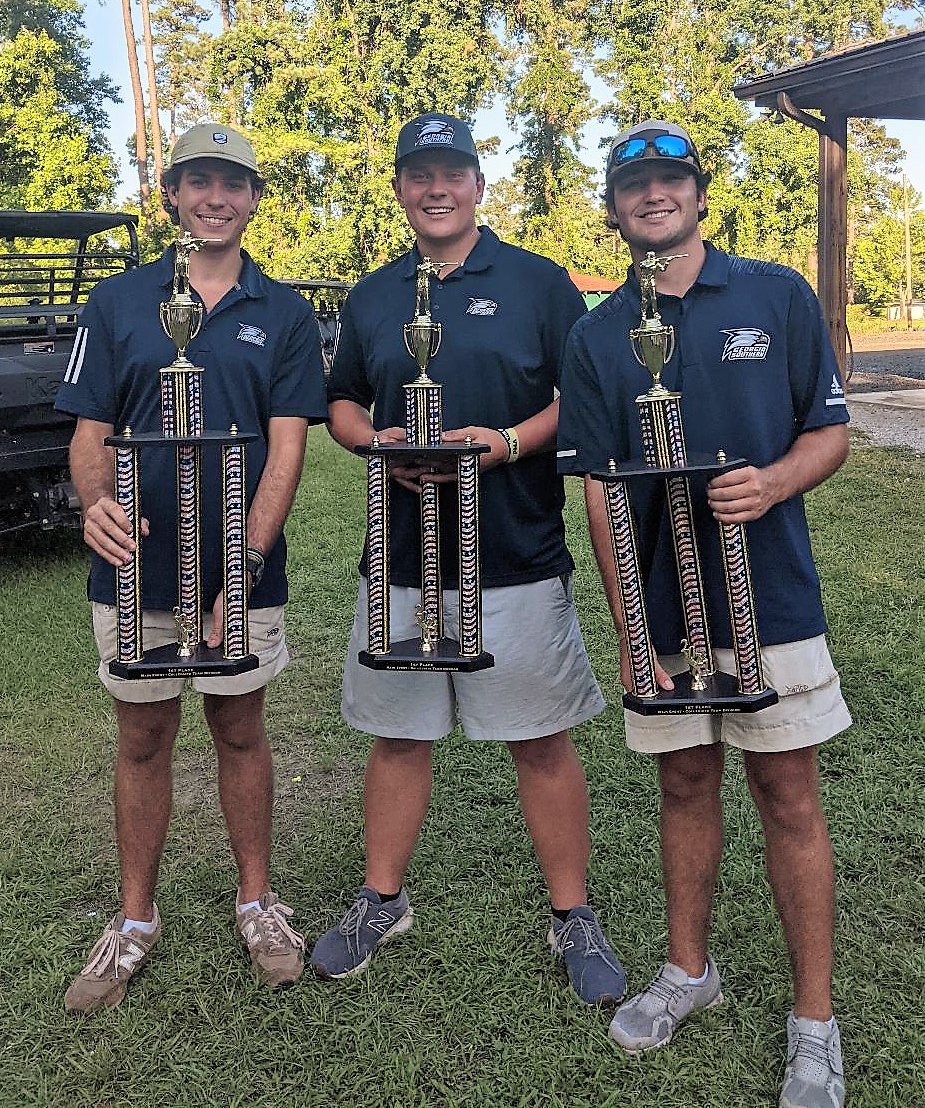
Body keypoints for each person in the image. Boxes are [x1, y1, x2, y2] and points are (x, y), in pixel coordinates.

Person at [557, 119, 851, 1108]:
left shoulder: (775, 295)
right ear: (614, 210)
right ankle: (690, 971)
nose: (652, 196)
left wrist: (769, 485)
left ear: (697, 194)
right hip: (666, 619)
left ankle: (814, 1023)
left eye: (669, 180)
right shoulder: (596, 335)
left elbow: (829, 430)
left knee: (788, 796)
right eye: (633, 185)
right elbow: (598, 486)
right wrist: (626, 622)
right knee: (684, 784)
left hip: (773, 601)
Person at [312, 112, 626, 1006]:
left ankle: (571, 912)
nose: (436, 188)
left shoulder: (537, 281)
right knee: (398, 734)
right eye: (420, 174)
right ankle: (382, 898)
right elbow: (337, 401)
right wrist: (378, 445)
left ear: (479, 184)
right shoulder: (374, 295)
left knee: (539, 740)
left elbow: (585, 394)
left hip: (514, 551)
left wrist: (508, 441)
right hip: (403, 561)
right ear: (403, 188)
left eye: (453, 172)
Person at [55, 123, 328, 1013]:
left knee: (241, 729)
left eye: (233, 184)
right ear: (171, 191)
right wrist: (96, 501)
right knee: (141, 739)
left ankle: (257, 901)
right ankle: (135, 919)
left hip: (237, 571)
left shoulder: (282, 311)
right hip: (134, 572)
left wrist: (240, 568)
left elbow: (286, 450)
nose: (215, 198)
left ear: (254, 198)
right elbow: (90, 432)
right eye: (198, 181)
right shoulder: (118, 301)